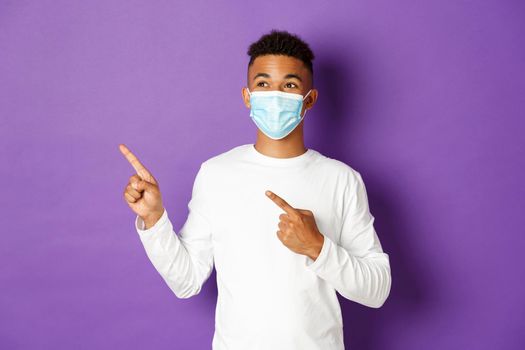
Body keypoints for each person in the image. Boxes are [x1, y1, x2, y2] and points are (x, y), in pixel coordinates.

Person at [119, 29, 391, 350]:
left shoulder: (341, 179)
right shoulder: (216, 174)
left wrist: (317, 247)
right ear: (248, 96)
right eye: (263, 84)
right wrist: (154, 219)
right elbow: (187, 281)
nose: (275, 94)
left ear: (310, 98)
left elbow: (377, 290)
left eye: (289, 85)